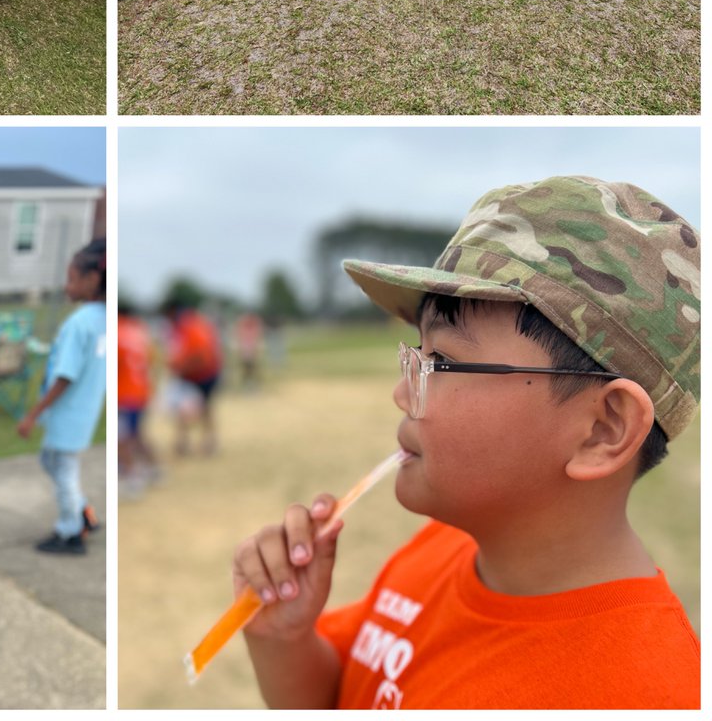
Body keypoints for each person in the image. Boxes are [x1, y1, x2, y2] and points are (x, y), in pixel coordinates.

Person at [230, 175, 698, 709]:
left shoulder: (647, 695)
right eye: (417, 354)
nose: (402, 393)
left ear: (603, 430)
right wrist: (284, 639)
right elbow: (345, 694)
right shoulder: (444, 548)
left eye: (443, 361)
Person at [17, 239, 107, 555]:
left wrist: (33, 413)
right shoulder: (104, 318)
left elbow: (66, 375)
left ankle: (71, 533)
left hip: (67, 413)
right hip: (84, 411)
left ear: (92, 280)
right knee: (50, 461)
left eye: (72, 278)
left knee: (64, 472)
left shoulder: (80, 322)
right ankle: (84, 512)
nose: (67, 286)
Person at [163, 300, 222, 456]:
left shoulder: (189, 325)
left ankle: (205, 442)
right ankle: (187, 442)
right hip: (195, 373)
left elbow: (201, 356)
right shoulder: (186, 324)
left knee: (201, 408)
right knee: (191, 409)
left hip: (202, 374)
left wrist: (182, 369)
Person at [117, 302, 158, 497]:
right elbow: (150, 360)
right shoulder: (139, 331)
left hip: (124, 393)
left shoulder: (116, 332)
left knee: (123, 438)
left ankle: (132, 476)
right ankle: (153, 468)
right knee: (135, 434)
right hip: (141, 391)